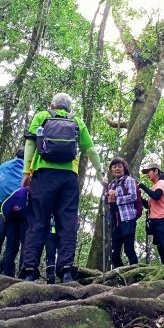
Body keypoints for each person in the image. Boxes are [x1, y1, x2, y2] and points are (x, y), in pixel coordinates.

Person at [21, 92, 103, 283]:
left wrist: (26, 173)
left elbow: (31, 142)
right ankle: (66, 270)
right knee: (67, 223)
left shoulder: (42, 116)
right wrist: (99, 175)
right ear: (70, 109)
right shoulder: (77, 121)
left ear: (52, 105)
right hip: (69, 178)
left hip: (43, 175)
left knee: (37, 221)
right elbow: (90, 150)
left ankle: (30, 271)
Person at [0, 148, 24, 275]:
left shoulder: (2, 168)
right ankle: (8, 272)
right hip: (19, 213)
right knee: (13, 243)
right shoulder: (28, 169)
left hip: (3, 212)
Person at [139, 163, 164, 264]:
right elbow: (149, 205)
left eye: (148, 172)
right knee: (162, 253)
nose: (147, 174)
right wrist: (140, 198)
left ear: (156, 171)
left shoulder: (161, 183)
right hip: (157, 223)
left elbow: (156, 196)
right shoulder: (155, 186)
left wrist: (142, 186)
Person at [106, 157, 138, 268]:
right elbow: (108, 201)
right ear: (111, 170)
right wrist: (108, 197)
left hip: (128, 219)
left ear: (124, 168)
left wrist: (118, 199)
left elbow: (133, 196)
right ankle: (121, 277)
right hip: (115, 222)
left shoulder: (129, 180)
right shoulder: (111, 185)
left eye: (120, 166)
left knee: (129, 250)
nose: (117, 169)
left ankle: (136, 275)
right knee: (114, 254)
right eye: (114, 167)